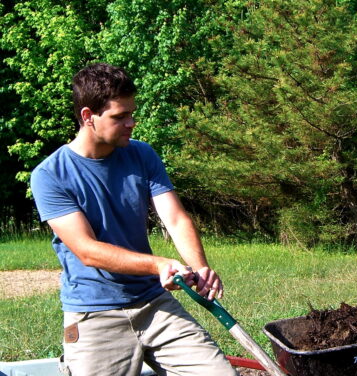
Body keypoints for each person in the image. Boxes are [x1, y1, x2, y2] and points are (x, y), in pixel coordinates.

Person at [30, 63, 238, 376]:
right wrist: (158, 265)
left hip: (154, 303)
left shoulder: (142, 154)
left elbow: (176, 218)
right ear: (89, 117)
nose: (131, 123)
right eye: (119, 117)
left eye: (132, 113)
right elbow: (87, 251)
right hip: (94, 313)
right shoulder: (50, 175)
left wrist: (199, 267)